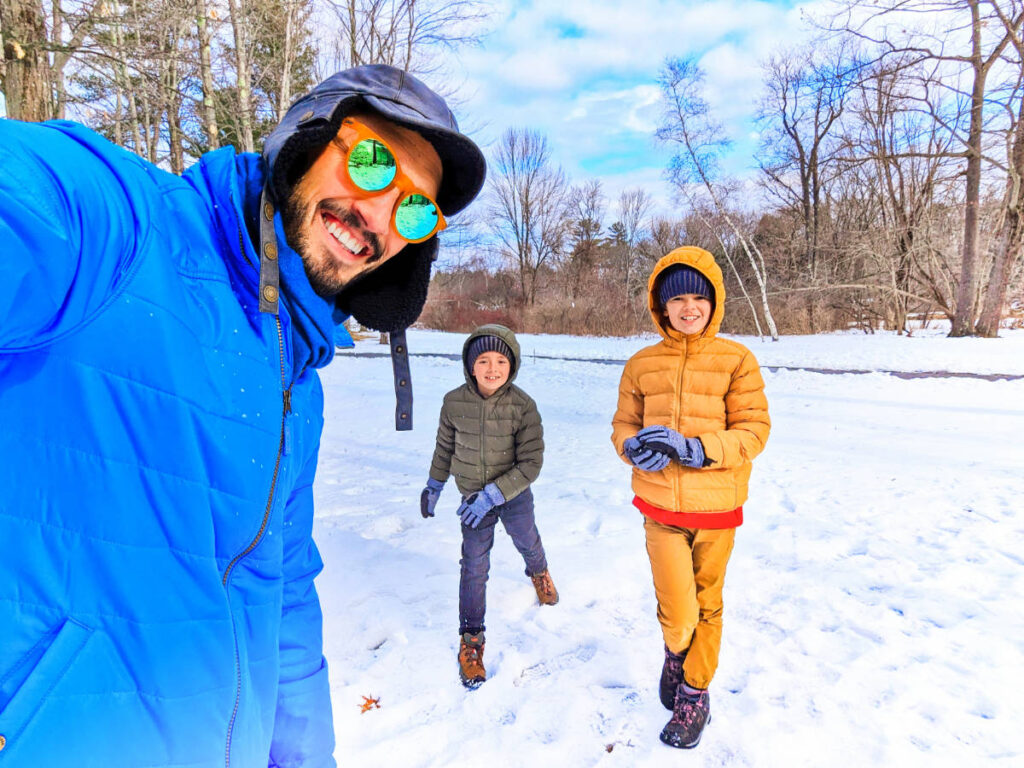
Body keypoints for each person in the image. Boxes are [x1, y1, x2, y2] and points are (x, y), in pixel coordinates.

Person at [0, 65, 485, 767]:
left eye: (415, 211)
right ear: (305, 137)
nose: (379, 218)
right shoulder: (125, 231)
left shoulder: (298, 383)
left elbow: (279, 600)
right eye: (373, 160)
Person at [611, 246, 770, 750]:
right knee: (678, 613)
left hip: (717, 509)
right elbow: (623, 427)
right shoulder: (641, 363)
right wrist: (632, 449)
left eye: (697, 298)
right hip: (660, 508)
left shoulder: (737, 360)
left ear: (713, 301)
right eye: (676, 297)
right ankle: (675, 656)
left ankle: (695, 694)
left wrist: (697, 449)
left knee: (709, 605)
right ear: (659, 304)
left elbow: (754, 432)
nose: (688, 307)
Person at [419, 324, 557, 688]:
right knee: (474, 567)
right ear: (469, 364)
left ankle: (539, 572)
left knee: (527, 539)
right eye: (483, 360)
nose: (492, 368)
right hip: (471, 502)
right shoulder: (453, 402)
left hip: (513, 497)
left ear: (513, 364)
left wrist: (493, 495)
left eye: (500, 360)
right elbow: (444, 448)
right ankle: (471, 640)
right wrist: (435, 484)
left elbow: (531, 463)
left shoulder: (523, 407)